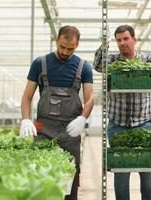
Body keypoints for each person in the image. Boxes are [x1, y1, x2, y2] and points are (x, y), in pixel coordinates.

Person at [93, 24, 151, 200]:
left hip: (143, 123)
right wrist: (104, 44)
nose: (122, 43)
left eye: (126, 38)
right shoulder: (112, 61)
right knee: (121, 173)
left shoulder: (146, 59)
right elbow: (97, 65)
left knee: (147, 171)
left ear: (134, 39)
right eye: (118, 40)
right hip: (117, 125)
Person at [20, 25, 94, 200]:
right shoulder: (40, 63)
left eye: (71, 48)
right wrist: (25, 119)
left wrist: (83, 118)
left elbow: (90, 98)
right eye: (62, 46)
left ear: (77, 45)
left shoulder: (84, 67)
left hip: (71, 132)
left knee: (70, 179)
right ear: (56, 40)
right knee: (42, 180)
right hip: (44, 131)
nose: (65, 52)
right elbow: (27, 96)